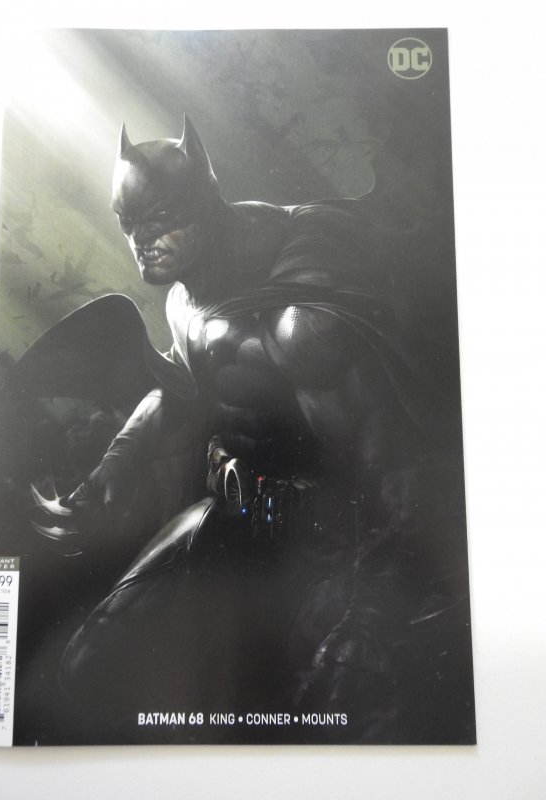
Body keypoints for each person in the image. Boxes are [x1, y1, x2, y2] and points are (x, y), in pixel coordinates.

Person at [30, 116, 465, 743]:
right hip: (243, 512)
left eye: (161, 219)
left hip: (360, 532)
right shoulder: (182, 300)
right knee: (87, 665)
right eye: (129, 225)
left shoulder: (303, 241)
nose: (142, 242)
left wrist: (388, 564)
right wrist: (117, 460)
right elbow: (183, 385)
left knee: (340, 711)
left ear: (205, 198)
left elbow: (318, 355)